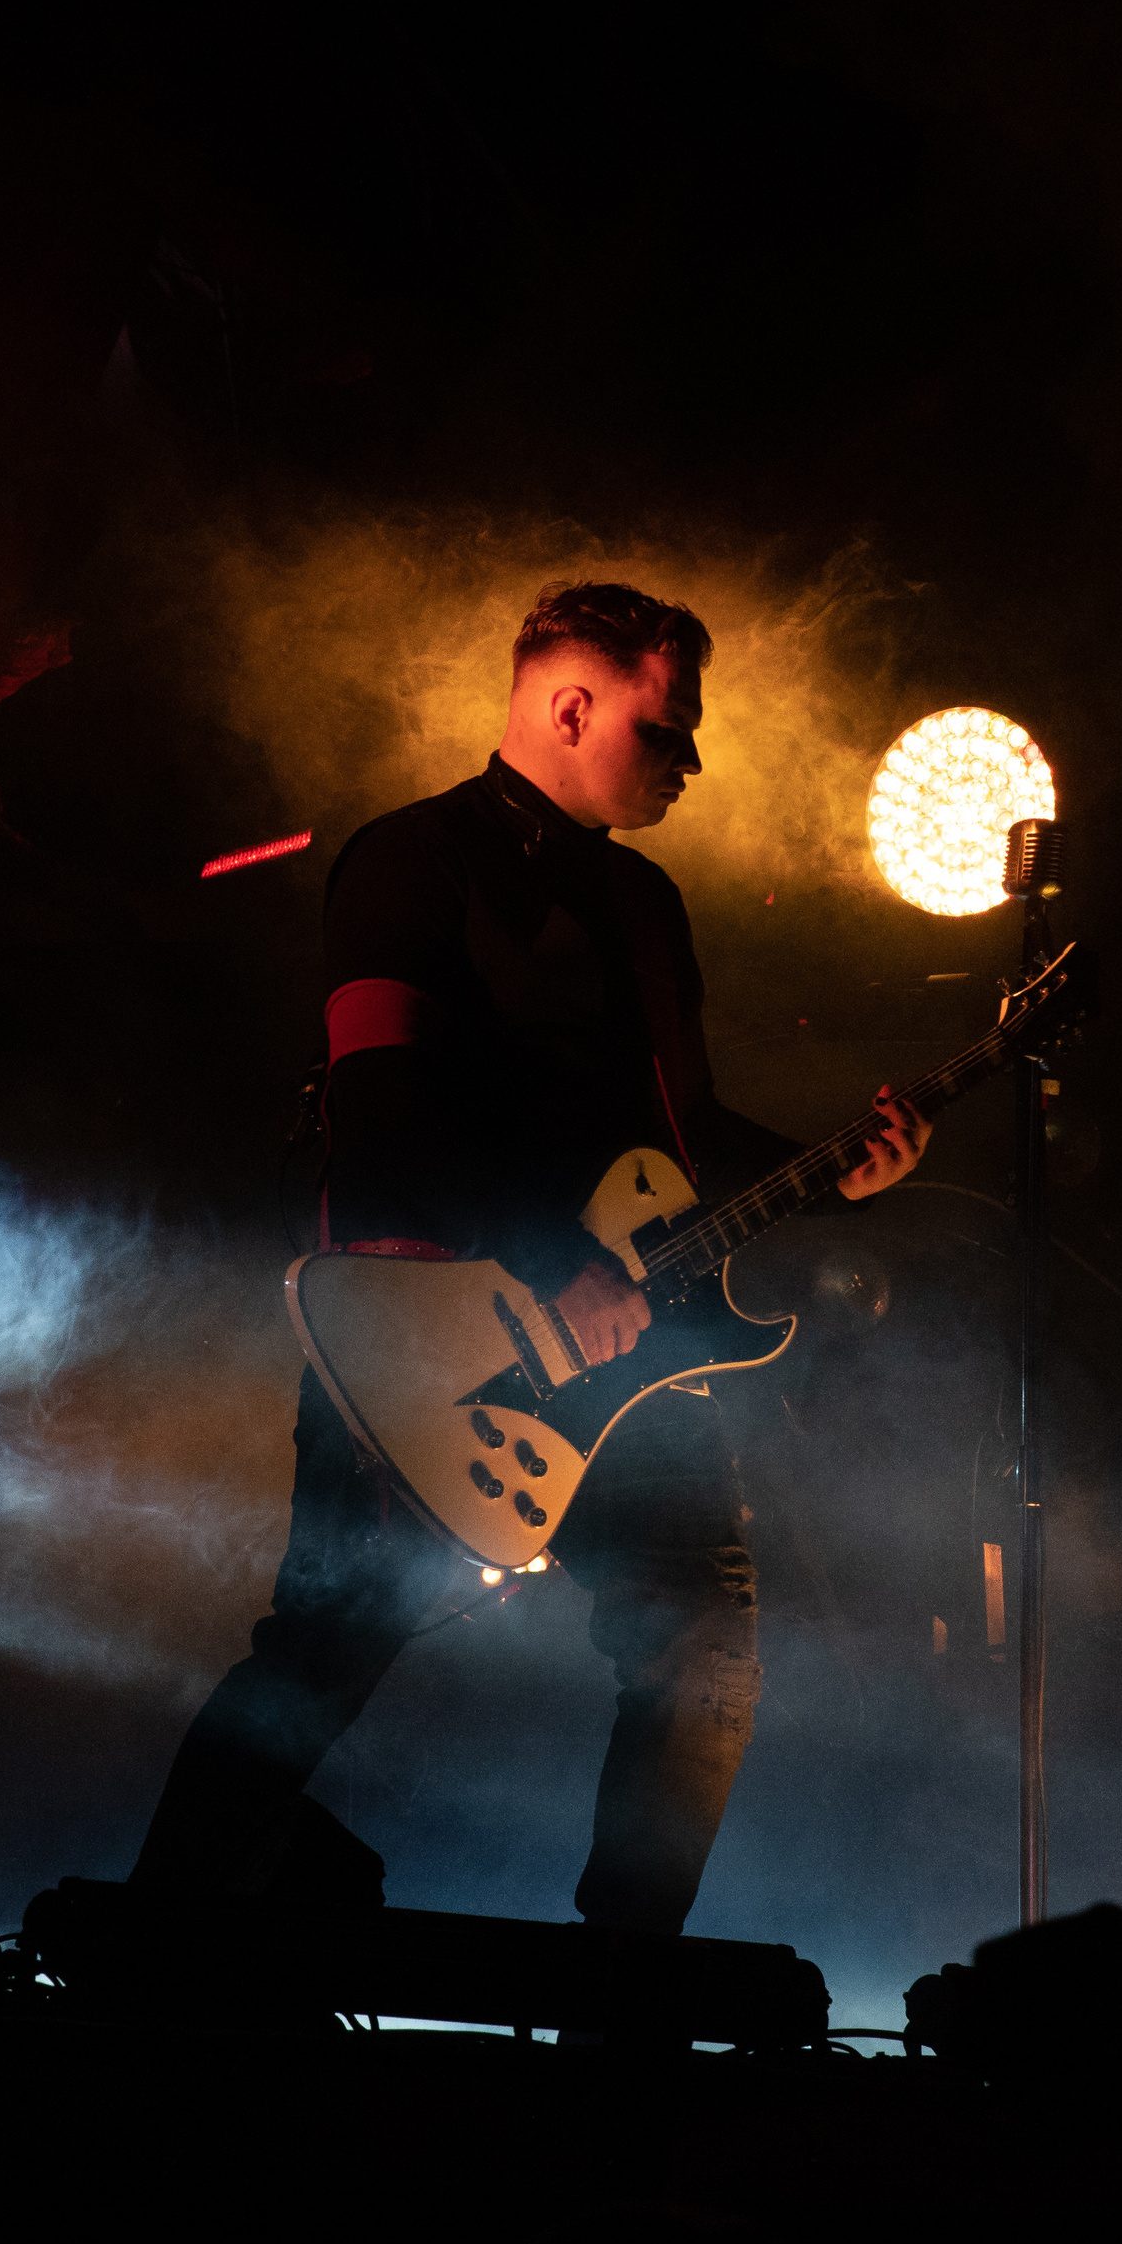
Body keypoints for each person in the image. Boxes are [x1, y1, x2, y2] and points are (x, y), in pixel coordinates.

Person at [132, 581, 929, 1931]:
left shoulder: (647, 906)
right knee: (328, 1647)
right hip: (429, 1338)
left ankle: (616, 2007)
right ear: (572, 705)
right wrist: (542, 1260)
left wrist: (833, 1174)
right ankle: (145, 1949)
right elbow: (383, 1101)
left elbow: (674, 1143)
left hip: (630, 1364)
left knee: (703, 1648)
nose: (689, 760)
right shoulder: (410, 863)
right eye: (665, 727)